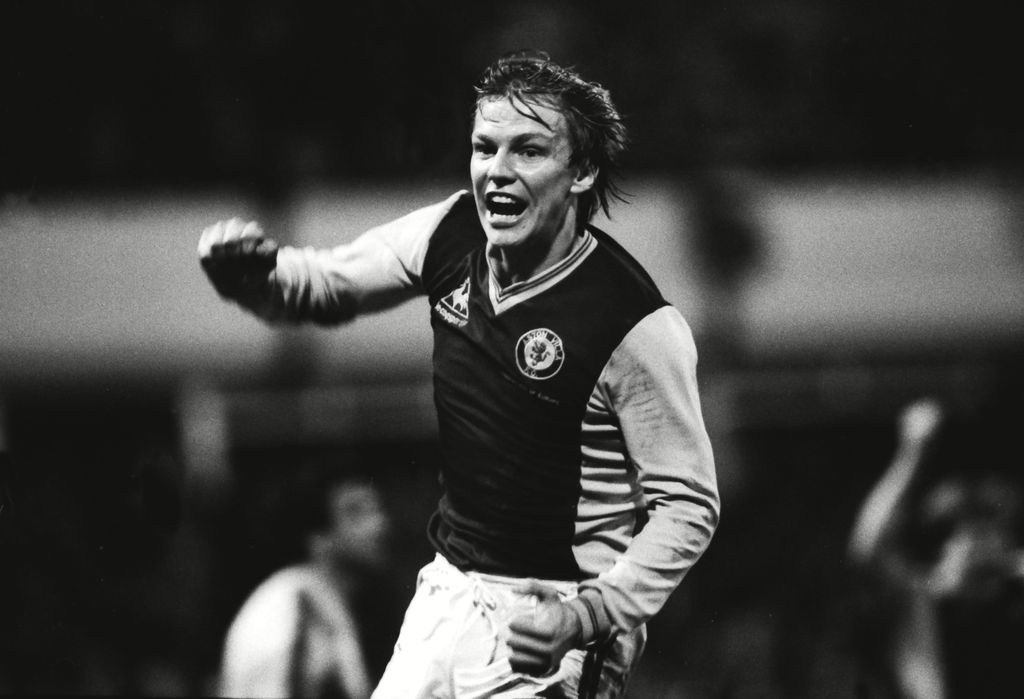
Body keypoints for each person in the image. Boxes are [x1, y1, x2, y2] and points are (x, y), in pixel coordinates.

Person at [198, 50, 720, 699]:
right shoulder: (450, 232)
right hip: (447, 594)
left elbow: (689, 506)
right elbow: (329, 284)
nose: (497, 171)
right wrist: (253, 279)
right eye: (484, 148)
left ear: (581, 170)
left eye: (528, 150)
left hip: (553, 615)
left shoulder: (635, 323)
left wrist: (586, 613)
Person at [848, 398, 1024, 699]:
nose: (976, 540)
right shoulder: (918, 598)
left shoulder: (1013, 596)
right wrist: (912, 454)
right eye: (961, 530)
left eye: (988, 526)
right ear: (942, 550)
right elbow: (870, 549)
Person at [219, 477, 391, 699]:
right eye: (355, 513)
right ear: (317, 538)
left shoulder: (323, 601)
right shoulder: (293, 603)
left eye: (377, 510)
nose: (379, 524)